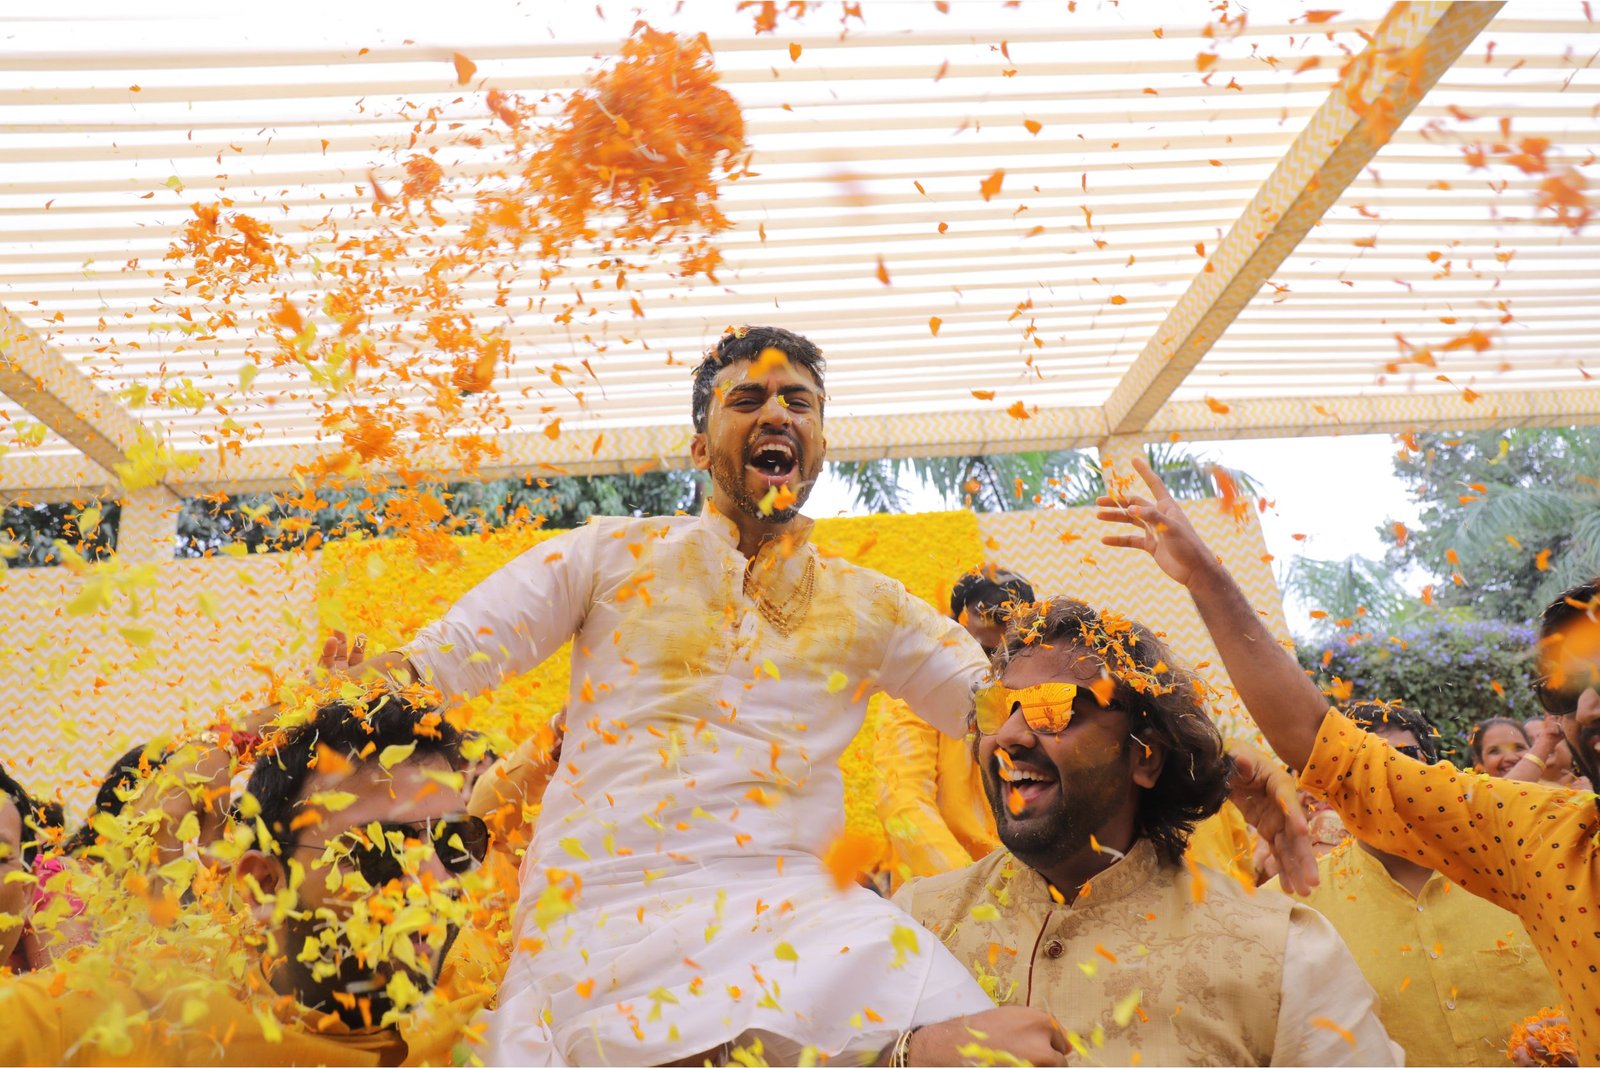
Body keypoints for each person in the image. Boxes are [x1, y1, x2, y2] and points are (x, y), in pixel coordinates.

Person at [351, 326, 1072, 1065]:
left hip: (812, 917)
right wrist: (341, 699)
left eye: (800, 402)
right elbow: (449, 655)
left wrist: (1110, 692)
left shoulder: (873, 606)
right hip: (604, 908)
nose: (778, 415)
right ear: (701, 447)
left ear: (818, 445)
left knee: (997, 1049)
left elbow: (1004, 708)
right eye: (748, 398)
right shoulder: (608, 556)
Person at [1096, 457, 1600, 1060]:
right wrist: (1207, 579)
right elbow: (1321, 742)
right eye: (1567, 689)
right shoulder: (1542, 841)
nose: (1590, 703)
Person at [893, 596, 1397, 1066]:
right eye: (996, 708)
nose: (1007, 736)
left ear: (1145, 756)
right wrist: (916, 1052)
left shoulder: (1281, 953)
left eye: (1055, 707)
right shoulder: (918, 923)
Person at [0, 694, 494, 1065]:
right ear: (264, 885)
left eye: (455, 844)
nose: (434, 883)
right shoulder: (131, 1023)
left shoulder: (488, 993)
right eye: (377, 851)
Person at [1266, 700, 1560, 1065]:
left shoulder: (1529, 864)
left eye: (1404, 757)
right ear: (1334, 786)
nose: (1385, 776)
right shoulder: (1291, 904)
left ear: (1434, 769)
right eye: (1360, 764)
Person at [875, 567, 1030, 886]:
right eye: (979, 649)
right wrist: (972, 888)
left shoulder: (1033, 691)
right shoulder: (919, 694)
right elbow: (903, 798)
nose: (984, 666)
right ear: (957, 630)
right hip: (947, 888)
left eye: (1001, 652)